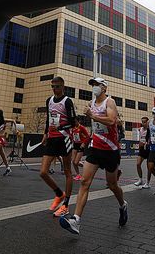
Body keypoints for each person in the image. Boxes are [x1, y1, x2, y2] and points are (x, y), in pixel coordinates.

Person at [60, 77, 127, 235]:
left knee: (112, 185)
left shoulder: (110, 102)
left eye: (97, 85)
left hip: (110, 150)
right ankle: (76, 219)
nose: (94, 87)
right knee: (84, 182)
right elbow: (95, 128)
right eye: (93, 85)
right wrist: (88, 140)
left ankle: (123, 204)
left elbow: (111, 121)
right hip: (95, 148)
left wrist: (92, 115)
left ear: (104, 88)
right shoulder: (90, 103)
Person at [39, 76, 76, 217]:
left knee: (67, 171)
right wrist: (45, 133)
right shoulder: (49, 100)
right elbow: (49, 119)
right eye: (53, 86)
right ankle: (59, 194)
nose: (55, 89)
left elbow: (73, 122)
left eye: (57, 86)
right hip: (52, 139)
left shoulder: (67, 101)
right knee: (43, 172)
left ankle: (66, 205)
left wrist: (60, 126)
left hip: (65, 138)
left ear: (63, 87)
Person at [134, 117, 150, 187]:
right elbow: (140, 138)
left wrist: (147, 143)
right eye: (142, 122)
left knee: (149, 167)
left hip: (148, 150)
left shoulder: (150, 130)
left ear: (147, 122)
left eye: (144, 122)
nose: (143, 123)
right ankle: (140, 180)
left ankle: (147, 182)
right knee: (138, 164)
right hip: (141, 149)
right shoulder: (140, 129)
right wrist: (140, 143)